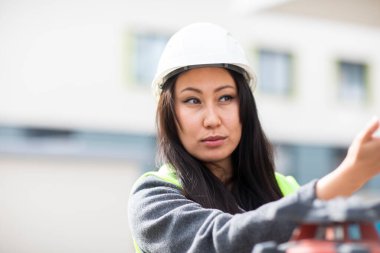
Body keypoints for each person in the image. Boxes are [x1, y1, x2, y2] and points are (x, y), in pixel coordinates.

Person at [128, 22, 380, 253]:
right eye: (192, 100)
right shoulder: (153, 198)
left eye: (225, 97)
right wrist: (351, 174)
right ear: (170, 114)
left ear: (245, 108)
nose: (212, 119)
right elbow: (220, 241)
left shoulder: (284, 189)